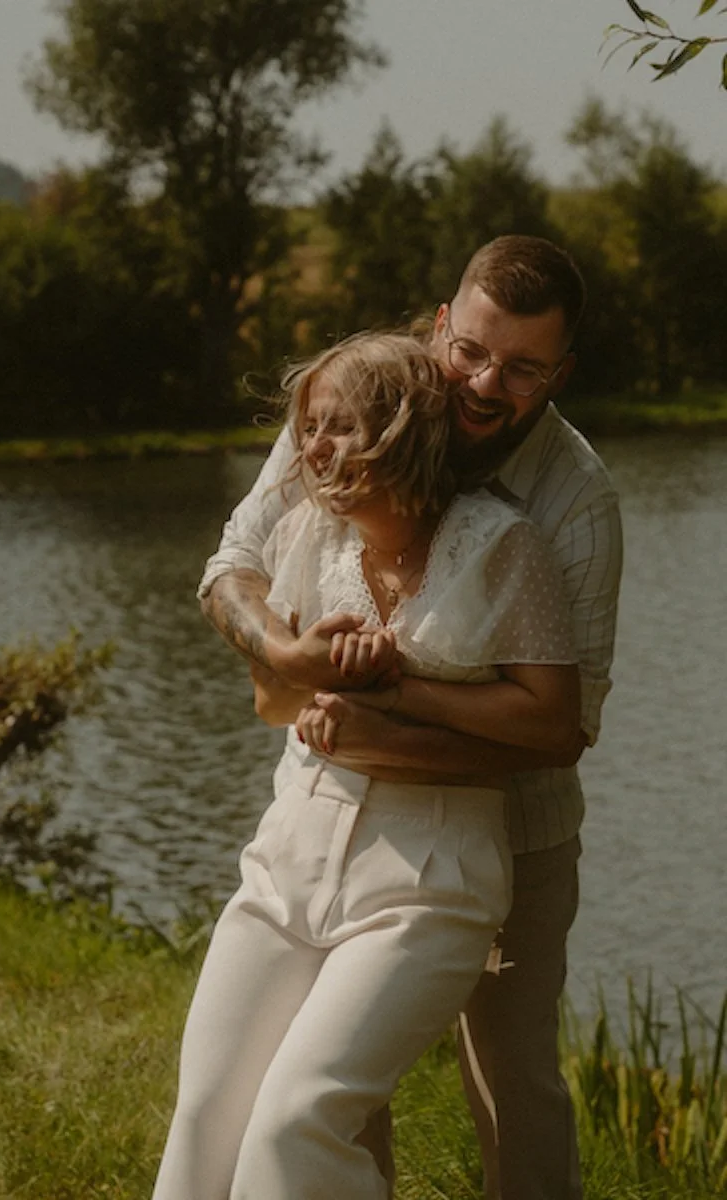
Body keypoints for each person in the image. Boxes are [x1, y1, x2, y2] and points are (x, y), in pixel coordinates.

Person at [198, 236, 623, 1200]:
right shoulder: (358, 408)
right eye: (471, 349)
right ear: (442, 324)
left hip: (516, 834)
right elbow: (234, 564)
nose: (484, 382)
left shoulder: (576, 502)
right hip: (337, 820)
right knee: (327, 1100)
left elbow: (563, 728)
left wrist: (382, 700)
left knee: (511, 1085)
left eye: (522, 369)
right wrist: (289, 654)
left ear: (562, 372)